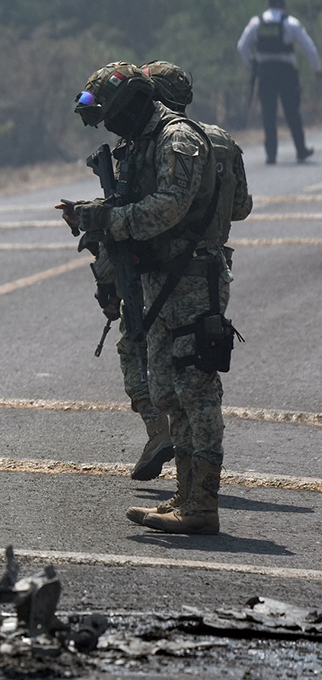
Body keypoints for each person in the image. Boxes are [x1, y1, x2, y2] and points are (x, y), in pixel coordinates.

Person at [66, 62, 244, 534]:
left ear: (134, 104)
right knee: (168, 391)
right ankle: (185, 495)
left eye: (112, 115)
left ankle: (203, 503)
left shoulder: (177, 138)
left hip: (191, 279)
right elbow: (133, 204)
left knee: (196, 390)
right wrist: (95, 213)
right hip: (160, 279)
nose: (109, 125)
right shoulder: (143, 143)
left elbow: (167, 208)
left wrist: (105, 219)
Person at [237, 0, 321, 163]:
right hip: (286, 72)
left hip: (265, 72)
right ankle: (301, 150)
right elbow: (309, 48)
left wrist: (252, 64)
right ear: (283, 5)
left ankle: (271, 154)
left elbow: (242, 46)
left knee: (268, 113)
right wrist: (317, 69)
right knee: (292, 111)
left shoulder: (256, 22)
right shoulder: (291, 23)